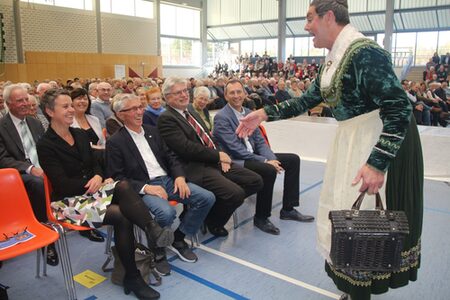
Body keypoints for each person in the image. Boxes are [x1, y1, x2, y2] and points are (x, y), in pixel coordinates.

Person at [236, 1, 423, 299]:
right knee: (345, 211)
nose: (306, 27)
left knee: (366, 217)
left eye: (310, 19)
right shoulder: (334, 58)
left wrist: (377, 163)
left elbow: (399, 108)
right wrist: (263, 113)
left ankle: (363, 286)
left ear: (329, 17)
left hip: (375, 138)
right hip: (352, 140)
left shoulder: (365, 53)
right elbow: (307, 99)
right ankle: (353, 288)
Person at [37, 89, 173, 300]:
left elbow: (97, 164)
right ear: (49, 111)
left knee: (124, 185)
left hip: (91, 193)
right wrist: (91, 182)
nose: (71, 109)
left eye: (71, 105)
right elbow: (62, 184)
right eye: (65, 106)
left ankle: (150, 233)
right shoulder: (45, 144)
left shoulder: (80, 134)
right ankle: (135, 272)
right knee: (121, 215)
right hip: (68, 203)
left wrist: (100, 176)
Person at [106, 93, 215, 275]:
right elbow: (117, 177)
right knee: (166, 212)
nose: (140, 111)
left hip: (169, 180)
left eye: (140, 106)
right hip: (145, 186)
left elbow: (171, 157)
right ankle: (157, 249)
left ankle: (178, 238)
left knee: (206, 197)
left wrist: (179, 176)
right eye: (133, 109)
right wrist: (146, 188)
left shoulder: (153, 131)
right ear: (120, 115)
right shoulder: (115, 142)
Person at [157, 77, 263, 237]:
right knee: (235, 193)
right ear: (167, 97)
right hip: (195, 167)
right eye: (179, 92)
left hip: (212, 161)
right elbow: (186, 149)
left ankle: (210, 213)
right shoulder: (166, 118)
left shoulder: (190, 112)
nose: (185, 95)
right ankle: (214, 221)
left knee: (255, 181)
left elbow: (208, 137)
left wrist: (221, 154)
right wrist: (217, 155)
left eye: (185, 90)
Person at [214, 79, 314, 235]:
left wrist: (271, 158)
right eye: (232, 93)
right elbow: (235, 149)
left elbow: (260, 142)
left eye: (239, 91)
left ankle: (288, 209)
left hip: (255, 156)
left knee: (293, 159)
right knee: (268, 170)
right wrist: (266, 161)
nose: (236, 95)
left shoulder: (249, 113)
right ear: (226, 96)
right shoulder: (221, 117)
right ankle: (261, 217)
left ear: (245, 93)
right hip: (238, 161)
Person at [0, 84, 58, 266]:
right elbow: (2, 158)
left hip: (43, 167)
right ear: (8, 103)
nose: (26, 103)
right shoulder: (1, 126)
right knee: (37, 182)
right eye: (20, 101)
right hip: (19, 175)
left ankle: (77, 218)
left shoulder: (34, 122)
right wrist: (29, 168)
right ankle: (44, 230)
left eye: (26, 99)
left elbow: (46, 148)